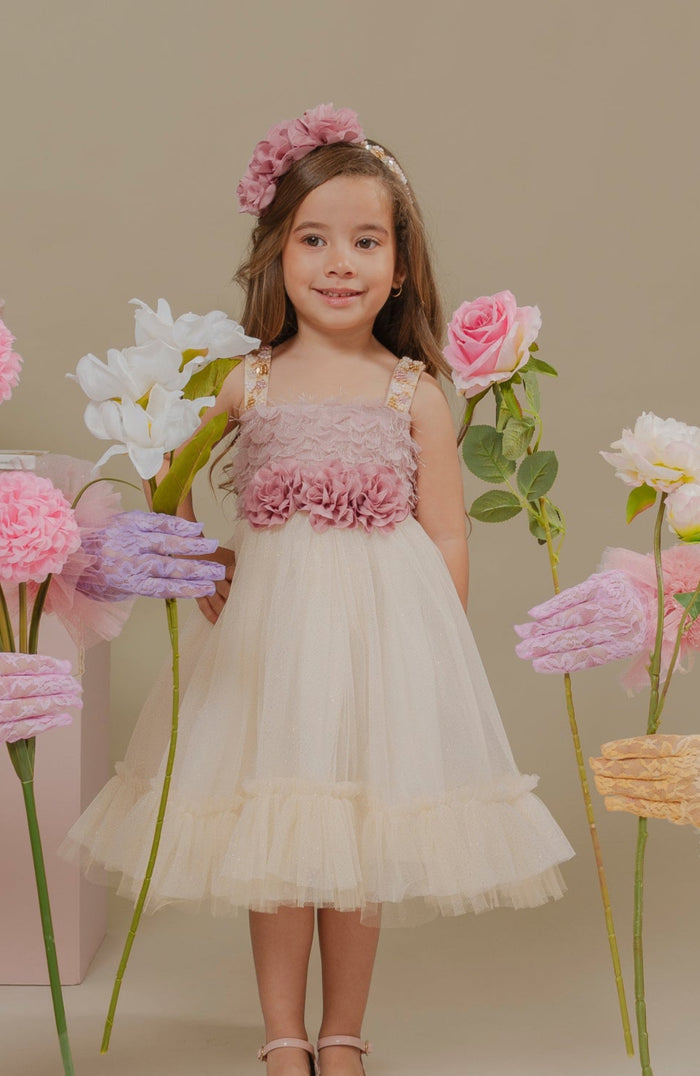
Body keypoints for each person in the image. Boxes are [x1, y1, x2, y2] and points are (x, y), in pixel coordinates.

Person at [62, 104, 575, 1076]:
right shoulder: (246, 381)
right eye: (314, 239)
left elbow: (447, 528)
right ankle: (282, 1033)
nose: (340, 263)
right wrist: (198, 557)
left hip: (377, 647)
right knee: (279, 830)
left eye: (366, 241)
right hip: (272, 648)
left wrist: (434, 647)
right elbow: (164, 464)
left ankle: (342, 1030)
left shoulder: (412, 390)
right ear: (276, 253)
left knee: (356, 837)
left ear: (401, 264)